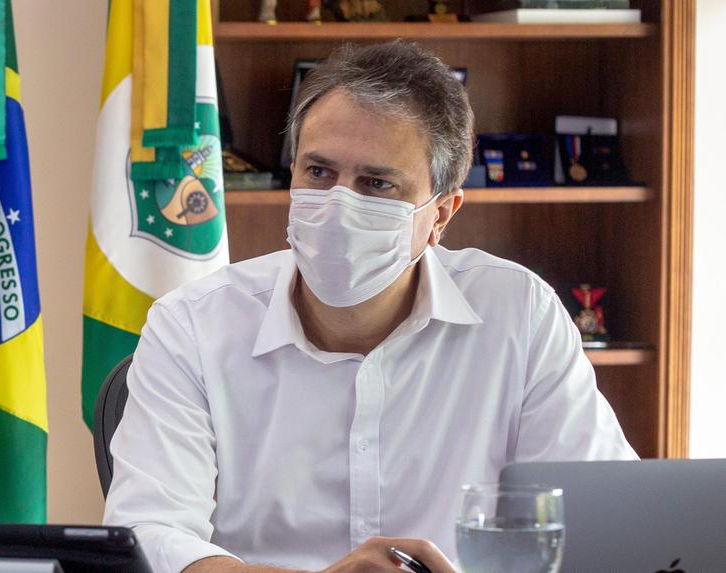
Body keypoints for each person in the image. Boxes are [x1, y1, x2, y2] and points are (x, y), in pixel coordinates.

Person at [102, 40, 636, 573]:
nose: (339, 204)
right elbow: (151, 538)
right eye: (318, 172)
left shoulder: (520, 314)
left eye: (376, 183)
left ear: (441, 214)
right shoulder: (193, 325)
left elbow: (599, 522)